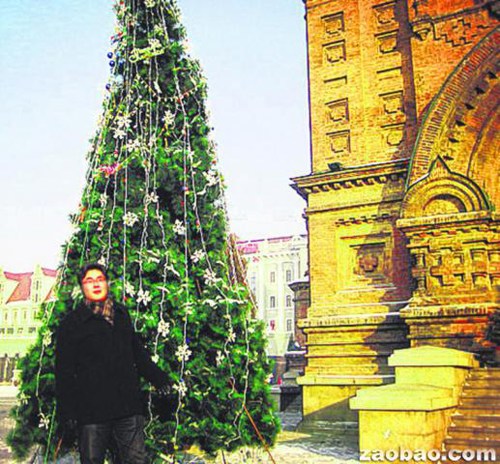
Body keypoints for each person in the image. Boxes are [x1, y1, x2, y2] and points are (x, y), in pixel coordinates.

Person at [55, 263, 169, 464]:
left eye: (100, 279)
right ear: (82, 287)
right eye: (89, 281)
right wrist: (68, 411)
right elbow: (64, 371)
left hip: (127, 407)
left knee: (135, 459)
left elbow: (138, 354)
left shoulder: (121, 315)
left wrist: (159, 378)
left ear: (107, 283)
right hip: (92, 411)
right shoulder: (72, 323)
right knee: (92, 460)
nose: (96, 284)